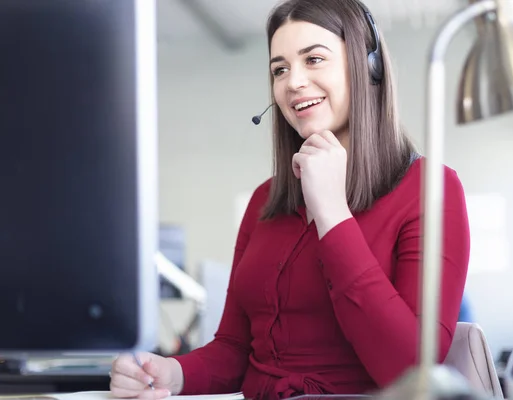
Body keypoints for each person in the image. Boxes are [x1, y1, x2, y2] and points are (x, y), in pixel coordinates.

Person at [108, 0, 470, 399]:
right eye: (280, 69)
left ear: (368, 68)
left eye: (314, 59)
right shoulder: (266, 199)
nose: (293, 82)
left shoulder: (431, 190)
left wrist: (332, 213)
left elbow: (409, 369)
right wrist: (172, 373)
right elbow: (234, 350)